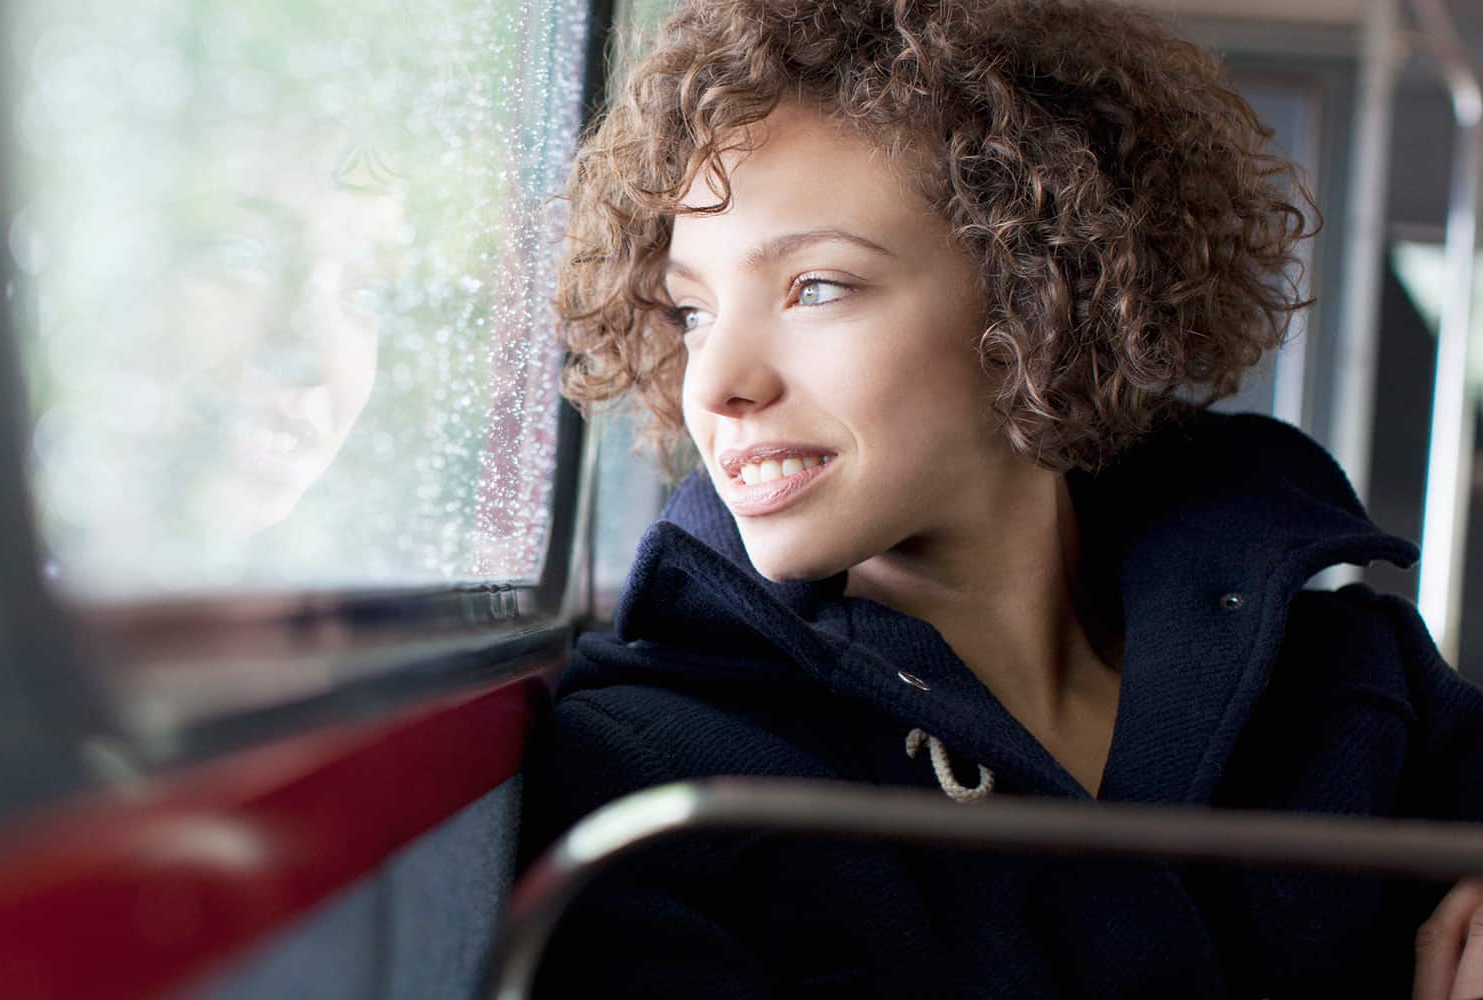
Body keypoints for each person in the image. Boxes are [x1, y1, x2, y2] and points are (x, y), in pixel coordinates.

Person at [525, 0, 1483, 996]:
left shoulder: (1358, 680)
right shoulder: (657, 783)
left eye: (817, 287)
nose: (716, 382)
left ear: (1039, 292)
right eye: (692, 308)